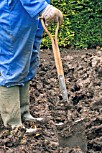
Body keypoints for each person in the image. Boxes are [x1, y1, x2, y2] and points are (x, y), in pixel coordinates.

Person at [0, 0, 63, 129]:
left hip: (32, 17)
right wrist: (41, 6)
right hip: (15, 13)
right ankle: (13, 123)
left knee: (28, 63)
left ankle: (24, 112)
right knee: (12, 66)